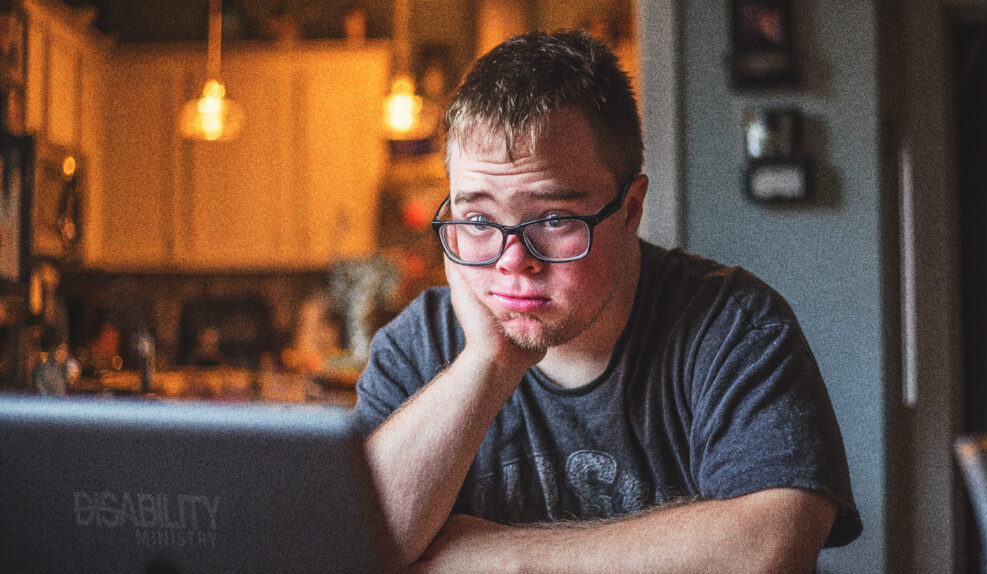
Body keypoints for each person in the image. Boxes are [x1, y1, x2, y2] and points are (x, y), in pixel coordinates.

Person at [355, 29, 862, 573]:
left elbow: (771, 549)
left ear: (629, 209)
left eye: (552, 219)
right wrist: (487, 363)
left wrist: (499, 561)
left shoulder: (736, 327)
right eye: (478, 220)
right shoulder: (418, 344)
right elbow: (355, 544)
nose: (510, 260)